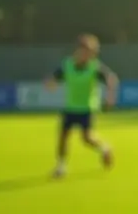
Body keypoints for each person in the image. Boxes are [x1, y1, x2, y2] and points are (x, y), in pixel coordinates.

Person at [43, 34, 118, 179]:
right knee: (63, 137)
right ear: (77, 51)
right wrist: (50, 83)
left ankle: (105, 148)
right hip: (70, 107)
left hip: (87, 108)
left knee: (87, 138)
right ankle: (61, 166)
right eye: (84, 51)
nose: (86, 54)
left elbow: (111, 79)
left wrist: (110, 97)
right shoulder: (68, 65)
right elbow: (54, 78)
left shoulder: (94, 67)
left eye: (89, 52)